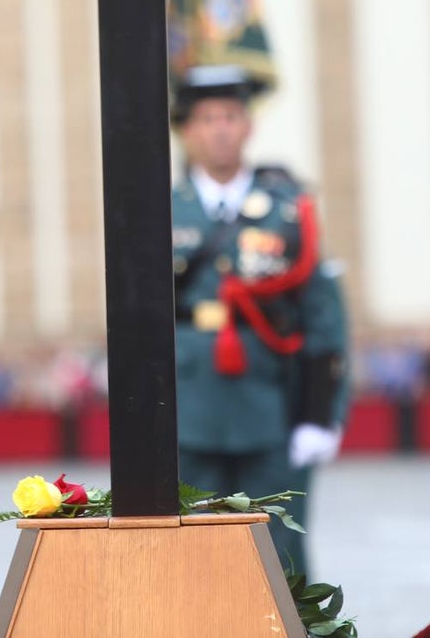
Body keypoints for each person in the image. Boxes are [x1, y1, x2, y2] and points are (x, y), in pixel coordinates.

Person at [169, 64, 351, 577]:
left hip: (272, 408)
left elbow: (322, 317)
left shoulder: (286, 209)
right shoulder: (162, 211)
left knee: (280, 554)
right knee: (195, 559)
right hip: (188, 412)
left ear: (248, 126)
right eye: (206, 118)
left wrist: (321, 413)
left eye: (230, 116)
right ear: (186, 130)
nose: (220, 128)